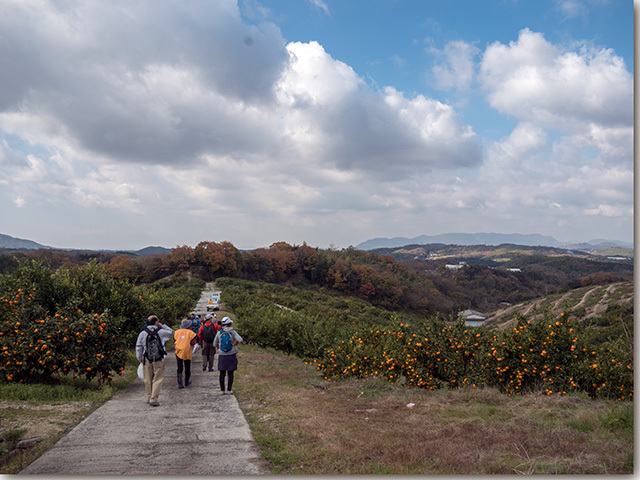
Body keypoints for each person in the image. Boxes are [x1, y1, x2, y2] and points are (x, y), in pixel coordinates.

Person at [135, 314, 174, 407]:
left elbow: (138, 347)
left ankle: (149, 398)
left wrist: (139, 358)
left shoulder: (143, 333)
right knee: (158, 379)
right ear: (156, 322)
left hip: (146, 358)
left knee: (147, 379)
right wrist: (162, 325)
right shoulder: (161, 332)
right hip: (159, 358)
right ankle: (154, 399)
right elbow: (171, 332)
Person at [213, 316, 243, 395]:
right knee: (230, 373)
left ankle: (222, 390)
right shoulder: (232, 332)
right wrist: (235, 344)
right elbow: (240, 339)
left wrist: (219, 347)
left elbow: (214, 344)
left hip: (222, 355)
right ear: (229, 323)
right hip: (231, 354)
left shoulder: (219, 333)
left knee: (222, 373)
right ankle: (229, 389)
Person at [174, 318, 198, 388]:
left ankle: (180, 383)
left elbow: (175, 340)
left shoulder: (176, 332)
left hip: (178, 350)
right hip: (186, 350)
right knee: (187, 367)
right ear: (188, 326)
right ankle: (187, 381)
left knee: (179, 367)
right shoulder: (190, 333)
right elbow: (193, 342)